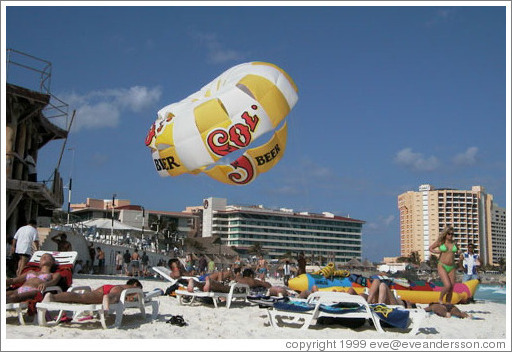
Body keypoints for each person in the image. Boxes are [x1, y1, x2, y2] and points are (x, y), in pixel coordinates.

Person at [42, 279, 142, 311]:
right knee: (115, 297)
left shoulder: (122, 285)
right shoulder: (131, 287)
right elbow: (135, 297)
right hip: (114, 290)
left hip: (104, 287)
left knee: (80, 297)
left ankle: (53, 297)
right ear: (135, 284)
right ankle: (108, 298)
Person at [429, 225, 459, 304]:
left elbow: (457, 251)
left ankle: (448, 304)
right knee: (447, 285)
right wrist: (436, 252)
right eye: (449, 234)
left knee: (451, 287)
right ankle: (440, 299)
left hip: (452, 267)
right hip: (442, 265)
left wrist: (459, 253)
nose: (451, 236)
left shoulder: (454, 243)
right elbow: (430, 248)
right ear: (445, 234)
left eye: (452, 234)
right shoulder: (440, 242)